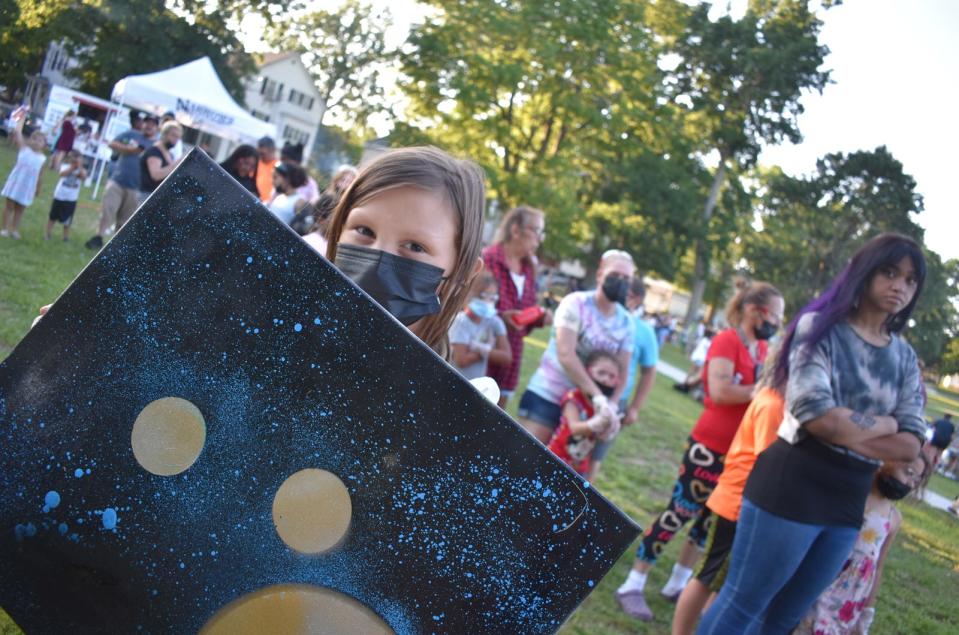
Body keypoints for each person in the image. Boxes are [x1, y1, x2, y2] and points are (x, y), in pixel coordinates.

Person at [698, 233, 927, 635]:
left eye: (910, 280)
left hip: (847, 500)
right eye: (890, 272)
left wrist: (849, 426)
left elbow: (911, 444)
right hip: (793, 482)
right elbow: (816, 416)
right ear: (865, 272)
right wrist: (888, 423)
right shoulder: (819, 329)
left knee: (784, 619)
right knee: (743, 604)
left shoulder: (904, 357)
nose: (900, 286)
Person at [616, 281, 784, 623]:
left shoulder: (762, 349)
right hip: (708, 447)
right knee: (678, 512)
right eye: (776, 315)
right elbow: (720, 391)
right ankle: (632, 583)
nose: (778, 323)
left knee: (706, 525)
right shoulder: (727, 340)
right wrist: (765, 389)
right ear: (755, 310)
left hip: (737, 454)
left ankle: (677, 583)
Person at [324, 146, 485, 355]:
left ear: (462, 273)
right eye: (365, 230)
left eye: (415, 246)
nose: (374, 267)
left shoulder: (436, 387)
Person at [672, 378, 786, 635]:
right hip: (738, 503)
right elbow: (771, 458)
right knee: (707, 575)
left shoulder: (774, 398)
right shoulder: (774, 404)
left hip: (741, 500)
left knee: (719, 579)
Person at [795, 453, 930, 635]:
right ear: (886, 460)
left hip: (852, 597)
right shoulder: (855, 497)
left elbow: (878, 566)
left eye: (916, 479)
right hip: (826, 579)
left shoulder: (894, 518)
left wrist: (866, 612)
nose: (909, 482)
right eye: (909, 472)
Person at [517, 250, 637, 444]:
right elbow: (566, 354)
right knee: (523, 460)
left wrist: (611, 407)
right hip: (549, 395)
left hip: (585, 408)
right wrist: (598, 397)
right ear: (600, 274)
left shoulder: (626, 323)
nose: (620, 281)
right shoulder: (576, 303)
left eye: (626, 278)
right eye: (615, 275)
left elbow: (622, 371)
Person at [482, 206, 552, 408]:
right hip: (481, 355)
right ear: (515, 230)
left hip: (510, 360)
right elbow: (466, 305)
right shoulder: (488, 259)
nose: (539, 239)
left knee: (493, 424)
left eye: (541, 233)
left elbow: (523, 320)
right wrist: (501, 317)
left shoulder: (529, 269)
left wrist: (538, 317)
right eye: (536, 231)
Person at [589, 277, 659, 480]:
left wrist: (635, 407)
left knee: (595, 456)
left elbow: (649, 372)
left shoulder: (644, 331)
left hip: (615, 400)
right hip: (582, 391)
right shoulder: (597, 315)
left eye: (625, 293)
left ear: (636, 299)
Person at [85, 114, 158, 250]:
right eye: (147, 122)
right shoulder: (131, 135)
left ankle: (115, 246)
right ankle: (98, 237)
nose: (149, 126)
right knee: (108, 209)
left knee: (125, 219)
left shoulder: (156, 146)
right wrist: (130, 150)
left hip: (137, 188)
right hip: (118, 181)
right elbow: (112, 144)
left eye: (153, 124)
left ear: (157, 128)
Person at [547, 350, 623, 476]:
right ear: (588, 372)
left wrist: (608, 430)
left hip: (579, 468)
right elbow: (574, 429)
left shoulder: (603, 407)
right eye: (601, 373)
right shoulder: (574, 398)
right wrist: (596, 423)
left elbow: (599, 438)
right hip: (556, 458)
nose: (605, 379)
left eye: (611, 376)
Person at [449, 272, 511, 380]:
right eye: (483, 296)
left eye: (492, 298)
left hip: (475, 384)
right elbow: (461, 361)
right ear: (468, 296)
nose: (487, 302)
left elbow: (506, 357)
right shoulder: (461, 321)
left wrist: (479, 349)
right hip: (454, 379)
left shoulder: (494, 322)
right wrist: (486, 350)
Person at [1, 106, 46, 239]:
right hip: (16, 182)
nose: (36, 142)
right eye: (34, 138)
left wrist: (38, 188)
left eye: (40, 140)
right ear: (29, 140)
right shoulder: (24, 149)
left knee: (20, 209)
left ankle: (14, 229)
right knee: (9, 206)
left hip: (28, 186)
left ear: (44, 144)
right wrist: (22, 117)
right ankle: (4, 228)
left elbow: (41, 175)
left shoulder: (42, 158)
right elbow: (18, 132)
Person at [303, 165, 358, 254]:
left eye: (349, 182)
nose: (345, 184)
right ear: (337, 180)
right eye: (343, 180)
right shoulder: (327, 197)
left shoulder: (352, 205)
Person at [45, 150, 87, 242]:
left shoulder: (82, 170)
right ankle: (48, 233)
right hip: (59, 196)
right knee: (53, 216)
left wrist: (79, 167)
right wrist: (72, 167)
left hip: (71, 199)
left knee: (67, 220)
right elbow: (62, 174)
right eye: (72, 158)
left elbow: (83, 177)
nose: (74, 160)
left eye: (77, 158)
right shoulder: (65, 166)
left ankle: (65, 237)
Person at [139, 121, 184, 202]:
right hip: (144, 196)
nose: (175, 140)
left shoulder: (169, 154)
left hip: (154, 197)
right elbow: (156, 175)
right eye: (173, 135)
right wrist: (177, 163)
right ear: (164, 134)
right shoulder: (155, 151)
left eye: (178, 137)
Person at [675, 328, 715, 397]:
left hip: (698, 357)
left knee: (693, 372)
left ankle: (687, 382)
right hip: (700, 358)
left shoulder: (703, 340)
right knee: (695, 372)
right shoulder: (706, 341)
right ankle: (687, 383)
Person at [255, 136, 278, 203]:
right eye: (258, 153)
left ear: (272, 150)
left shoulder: (278, 166)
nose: (260, 156)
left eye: (263, 154)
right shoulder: (255, 163)